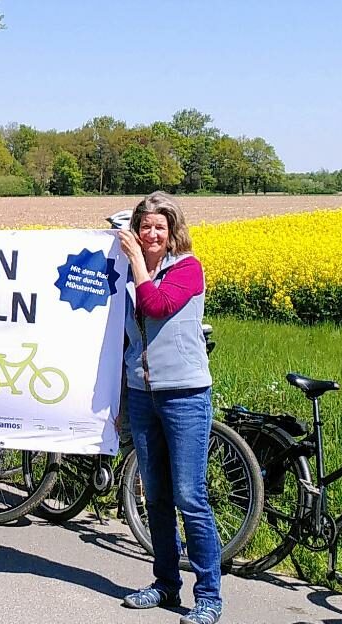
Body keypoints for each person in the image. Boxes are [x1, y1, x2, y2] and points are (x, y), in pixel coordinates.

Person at [116, 192, 221, 624]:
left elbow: (156, 307)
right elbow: (125, 338)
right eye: (145, 226)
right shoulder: (129, 275)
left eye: (160, 226)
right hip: (142, 394)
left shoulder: (188, 269)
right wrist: (121, 397)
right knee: (156, 497)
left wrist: (137, 265)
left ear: (172, 230)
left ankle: (209, 596)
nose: (152, 233)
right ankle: (165, 583)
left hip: (185, 395)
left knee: (190, 497)